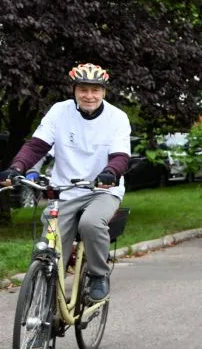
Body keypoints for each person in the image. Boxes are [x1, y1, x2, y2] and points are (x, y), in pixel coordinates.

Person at [0, 63, 131, 301]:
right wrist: (16, 167)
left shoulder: (117, 118)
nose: (89, 96)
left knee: (91, 224)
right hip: (65, 190)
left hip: (102, 190)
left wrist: (110, 172)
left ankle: (98, 274)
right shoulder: (59, 112)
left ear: (104, 92)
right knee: (51, 244)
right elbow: (36, 146)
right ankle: (47, 293)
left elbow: (121, 156)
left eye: (95, 90)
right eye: (83, 89)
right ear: (74, 90)